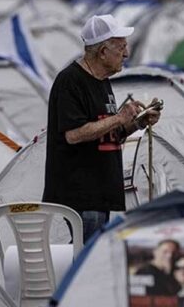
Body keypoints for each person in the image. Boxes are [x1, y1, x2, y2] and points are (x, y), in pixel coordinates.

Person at [43, 14, 161, 243]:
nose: (126, 54)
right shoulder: (70, 81)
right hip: (81, 195)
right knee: (88, 259)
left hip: (100, 192)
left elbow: (106, 134)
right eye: (121, 48)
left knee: (90, 254)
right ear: (103, 52)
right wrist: (119, 118)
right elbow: (74, 135)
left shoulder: (102, 81)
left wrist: (136, 123)